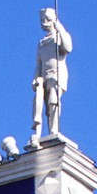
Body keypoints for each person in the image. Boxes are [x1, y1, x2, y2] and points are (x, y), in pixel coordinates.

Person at [30, 7, 72, 143]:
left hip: (57, 74)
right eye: (42, 20)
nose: (44, 23)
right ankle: (43, 131)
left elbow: (67, 48)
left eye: (46, 20)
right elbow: (39, 63)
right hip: (44, 76)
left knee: (53, 101)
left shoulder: (58, 37)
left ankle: (54, 129)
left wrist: (60, 28)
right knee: (43, 106)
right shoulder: (41, 43)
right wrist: (36, 77)